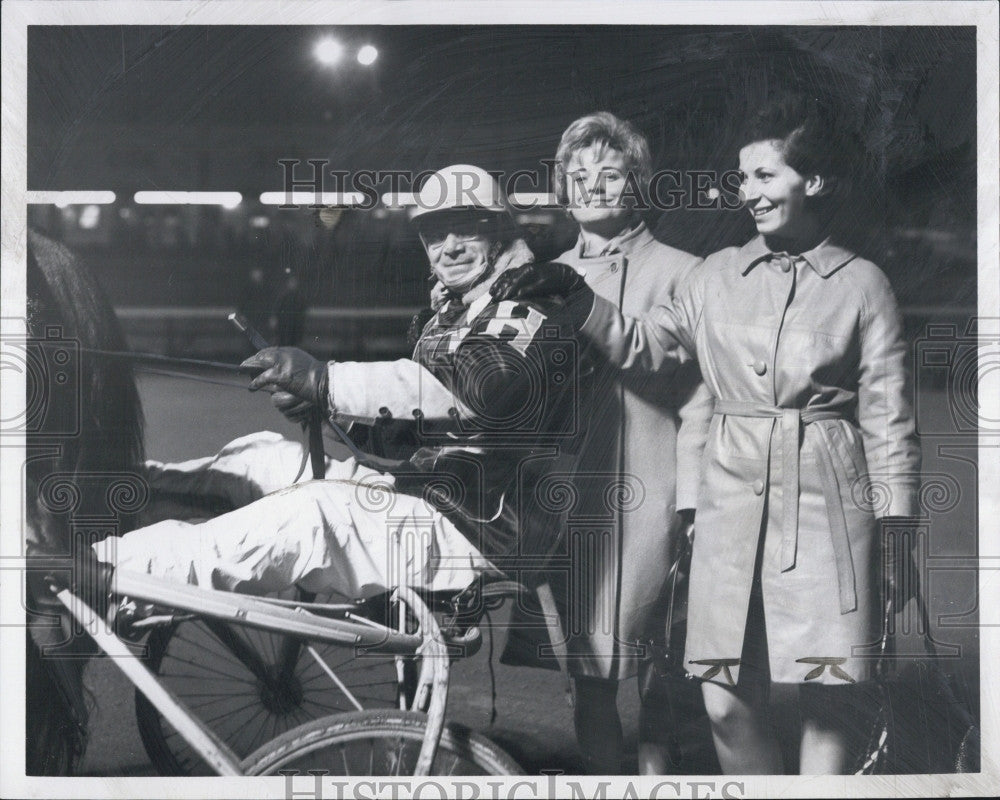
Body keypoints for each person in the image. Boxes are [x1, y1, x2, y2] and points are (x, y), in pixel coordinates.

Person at [491, 94, 921, 775]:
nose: (748, 192)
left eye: (765, 176)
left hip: (830, 501)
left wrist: (897, 528)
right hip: (728, 507)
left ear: (812, 182)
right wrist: (577, 299)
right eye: (743, 178)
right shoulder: (717, 274)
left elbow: (891, 417)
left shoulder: (864, 284)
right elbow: (643, 345)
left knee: (824, 695)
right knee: (722, 699)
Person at [89, 165, 591, 622]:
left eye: (468, 229)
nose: (450, 247)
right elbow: (408, 436)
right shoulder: (459, 312)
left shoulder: (531, 307)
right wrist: (326, 408)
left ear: (501, 231)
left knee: (311, 514)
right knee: (259, 455)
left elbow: (472, 391)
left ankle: (101, 573)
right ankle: (126, 492)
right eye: (436, 234)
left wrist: (326, 381)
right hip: (434, 498)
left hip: (484, 535)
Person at [503, 112, 713, 774]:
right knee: (587, 674)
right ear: (563, 187)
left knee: (658, 671)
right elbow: (508, 382)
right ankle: (602, 781)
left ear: (637, 184)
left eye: (610, 172)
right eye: (579, 174)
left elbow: (673, 369)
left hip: (652, 496)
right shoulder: (544, 273)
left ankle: (654, 784)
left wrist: (694, 504)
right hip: (562, 502)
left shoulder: (686, 272)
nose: (593, 185)